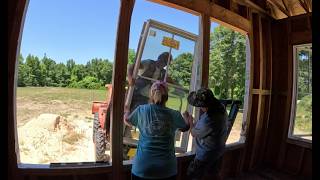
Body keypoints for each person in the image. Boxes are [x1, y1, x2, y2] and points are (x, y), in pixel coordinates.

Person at [124, 81, 190, 180]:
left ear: (151, 95)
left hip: (142, 168)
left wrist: (126, 112)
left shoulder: (141, 110)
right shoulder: (174, 114)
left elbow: (127, 121)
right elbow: (185, 128)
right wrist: (186, 118)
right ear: (166, 97)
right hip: (167, 169)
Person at [184, 88, 228, 180]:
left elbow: (193, 133)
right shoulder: (220, 108)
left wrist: (190, 121)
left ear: (204, 106)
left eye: (200, 106)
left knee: (193, 175)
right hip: (218, 151)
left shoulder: (209, 120)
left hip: (206, 154)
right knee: (213, 174)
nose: (199, 108)